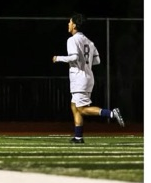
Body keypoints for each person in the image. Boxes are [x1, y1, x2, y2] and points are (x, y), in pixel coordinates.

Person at [52, 12, 124, 144]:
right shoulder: (89, 42)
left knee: (81, 108)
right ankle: (78, 137)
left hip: (79, 78)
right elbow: (97, 61)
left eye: (70, 22)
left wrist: (58, 58)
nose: (68, 24)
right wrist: (85, 63)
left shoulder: (72, 40)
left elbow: (74, 57)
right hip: (88, 77)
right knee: (75, 106)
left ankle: (111, 113)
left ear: (74, 25)